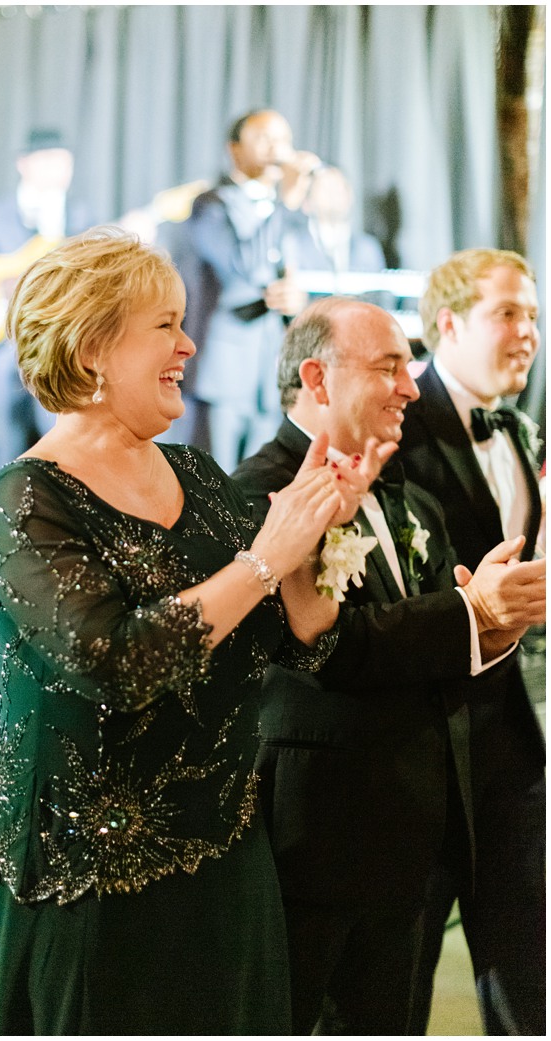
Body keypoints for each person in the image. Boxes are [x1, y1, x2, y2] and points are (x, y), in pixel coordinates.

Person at [0, 229, 374, 1034]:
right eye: (165, 324)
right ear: (91, 349)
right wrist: (264, 557)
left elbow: (292, 640)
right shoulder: (26, 499)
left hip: (224, 862)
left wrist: (314, 526)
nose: (189, 344)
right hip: (92, 889)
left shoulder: (193, 471)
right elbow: (112, 660)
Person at [231, 297, 544, 1032]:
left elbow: (429, 648)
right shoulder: (254, 493)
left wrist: (494, 625)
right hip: (315, 839)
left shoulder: (410, 498)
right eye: (389, 366)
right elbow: (321, 647)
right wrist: (471, 613)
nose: (411, 384)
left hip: (411, 842)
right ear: (317, 377)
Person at [400, 248, 546, 1035]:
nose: (528, 332)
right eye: (508, 313)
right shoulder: (396, 425)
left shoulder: (519, 428)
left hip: (510, 755)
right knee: (395, 991)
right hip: (420, 755)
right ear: (447, 323)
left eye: (532, 314)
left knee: (529, 987)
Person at [0, 127, 94, 474]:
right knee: (5, 437)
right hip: (5, 342)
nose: (60, 171)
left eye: (65, 163)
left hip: (59, 342)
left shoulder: (80, 215)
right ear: (24, 164)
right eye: (51, 162)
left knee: (61, 432)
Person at [185, 109, 317, 471]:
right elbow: (241, 266)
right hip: (223, 376)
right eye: (265, 138)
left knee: (260, 486)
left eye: (284, 140)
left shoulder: (287, 214)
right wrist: (285, 205)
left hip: (270, 375)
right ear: (234, 150)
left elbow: (295, 274)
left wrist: (297, 299)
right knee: (218, 486)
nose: (278, 149)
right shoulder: (210, 205)